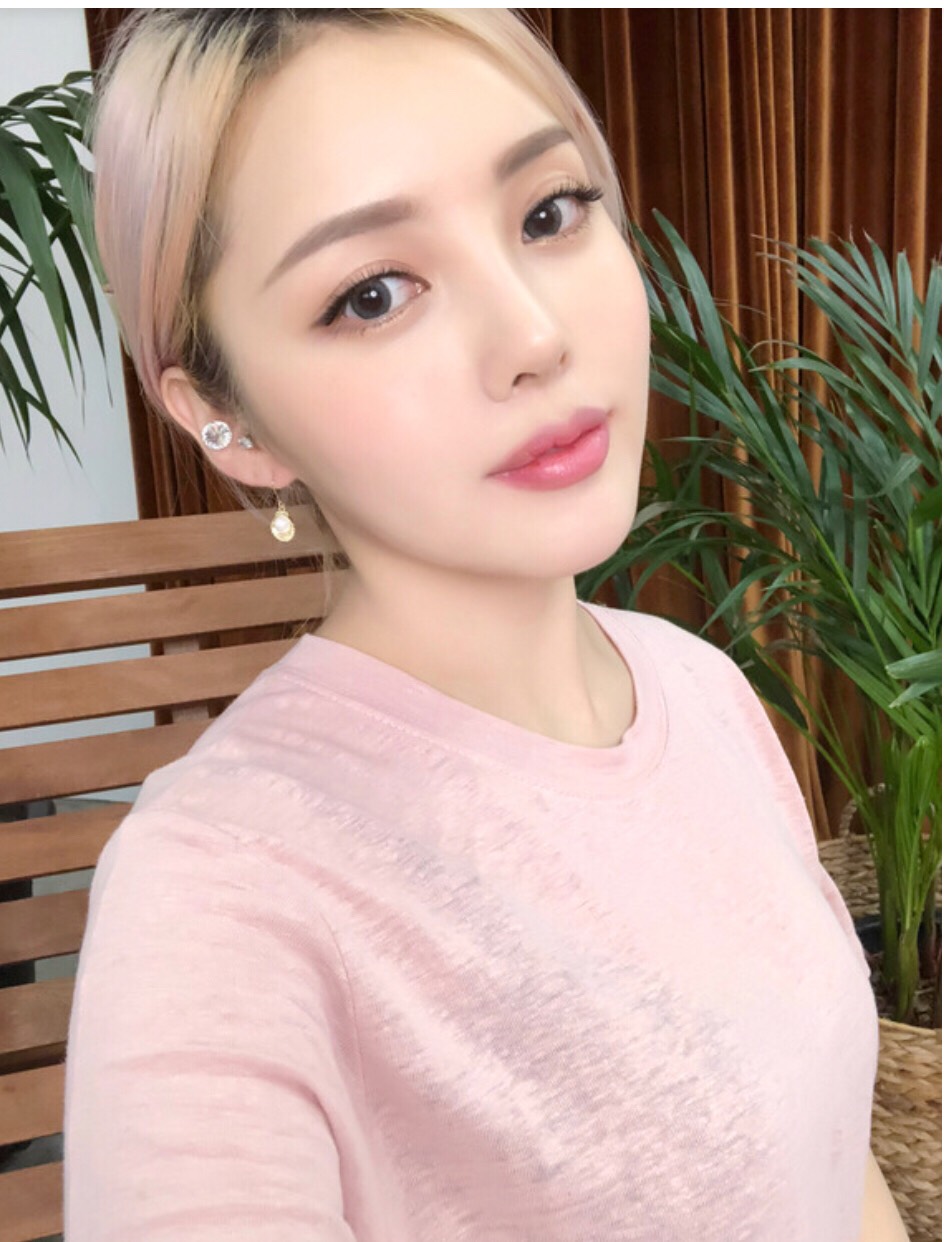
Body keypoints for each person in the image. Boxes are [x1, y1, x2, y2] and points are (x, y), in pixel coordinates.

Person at [63, 10, 897, 1241]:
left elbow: (831, 1161)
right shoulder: (217, 892)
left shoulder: (701, 689)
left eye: (548, 213)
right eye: (371, 295)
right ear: (226, 420)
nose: (533, 337)